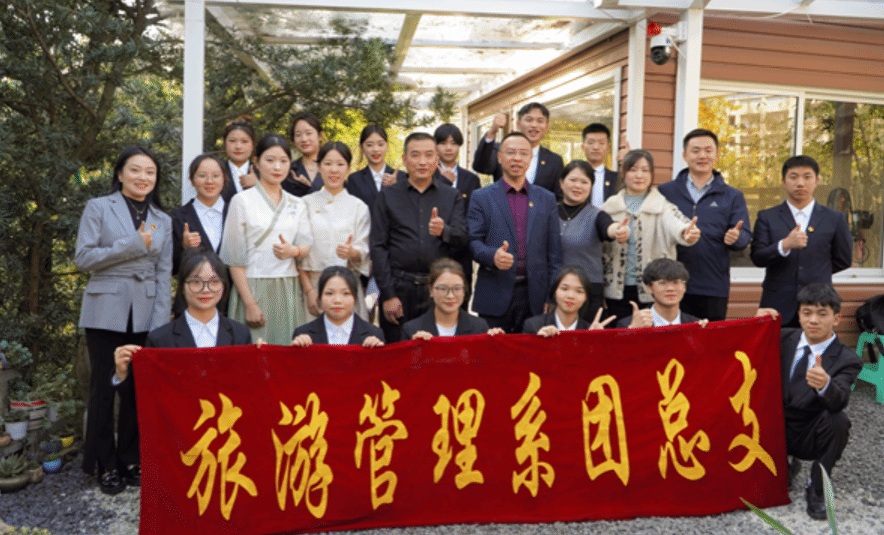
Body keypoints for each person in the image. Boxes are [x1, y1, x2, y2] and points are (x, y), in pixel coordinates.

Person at [74, 145, 172, 495]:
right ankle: (104, 463)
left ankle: (131, 458)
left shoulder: (163, 219)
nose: (143, 177)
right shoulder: (99, 207)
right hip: (105, 308)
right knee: (104, 387)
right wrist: (131, 245)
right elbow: (83, 258)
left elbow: (164, 274)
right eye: (135, 170)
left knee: (136, 389)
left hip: (146, 311)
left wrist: (160, 324)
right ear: (120, 174)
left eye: (150, 172)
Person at [756, 283, 862, 520]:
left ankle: (817, 486)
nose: (813, 320)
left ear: (836, 319)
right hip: (775, 426)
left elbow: (840, 401)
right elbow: (740, 348)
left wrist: (826, 385)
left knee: (839, 421)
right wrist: (755, 323)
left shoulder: (848, 359)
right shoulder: (780, 337)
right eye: (807, 312)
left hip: (810, 431)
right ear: (799, 315)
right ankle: (785, 466)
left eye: (822, 314)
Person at [370, 132, 468, 343]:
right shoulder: (387, 196)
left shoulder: (452, 196)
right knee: (398, 351)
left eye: (429, 155)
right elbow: (378, 247)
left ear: (436, 159)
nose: (422, 162)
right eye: (415, 155)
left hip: (438, 289)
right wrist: (388, 295)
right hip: (399, 288)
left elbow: (462, 239)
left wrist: (444, 231)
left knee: (438, 353)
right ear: (405, 160)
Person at [220, 134, 313, 345]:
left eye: (283, 161)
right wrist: (249, 304)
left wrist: (294, 251)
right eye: (270, 160)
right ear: (256, 163)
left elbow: (306, 245)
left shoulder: (297, 203)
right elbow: (234, 260)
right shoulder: (241, 201)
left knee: (286, 352)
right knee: (253, 352)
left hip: (288, 286)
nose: (277, 167)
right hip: (252, 286)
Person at [468, 132, 562, 333]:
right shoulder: (481, 197)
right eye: (511, 152)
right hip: (494, 292)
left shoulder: (546, 199)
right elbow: (473, 242)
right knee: (494, 351)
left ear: (530, 159)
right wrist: (492, 256)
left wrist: (551, 295)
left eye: (523, 153)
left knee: (532, 351)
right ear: (499, 157)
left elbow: (554, 253)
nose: (517, 158)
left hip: (535, 296)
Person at [113, 249, 252, 383]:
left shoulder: (240, 334)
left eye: (214, 282)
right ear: (183, 287)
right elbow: (147, 392)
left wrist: (260, 362)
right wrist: (122, 373)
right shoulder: (160, 339)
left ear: (224, 285)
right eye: (196, 282)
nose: (205, 290)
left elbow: (248, 387)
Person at [658, 129, 751, 322]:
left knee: (709, 339)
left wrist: (736, 238)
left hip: (713, 285)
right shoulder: (666, 191)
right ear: (685, 155)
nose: (702, 156)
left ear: (716, 155)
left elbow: (744, 237)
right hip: (671, 284)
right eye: (696, 150)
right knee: (672, 338)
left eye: (708, 151)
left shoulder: (732, 196)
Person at [751, 155, 852, 327]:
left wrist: (818, 271)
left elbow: (844, 259)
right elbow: (757, 257)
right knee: (777, 345)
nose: (800, 183)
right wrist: (785, 245)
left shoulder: (835, 218)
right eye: (793, 177)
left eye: (807, 177)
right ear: (783, 181)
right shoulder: (767, 217)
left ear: (817, 181)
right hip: (777, 304)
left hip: (818, 304)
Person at [600, 149, 701, 323]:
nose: (639, 175)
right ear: (623, 174)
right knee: (622, 334)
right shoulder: (609, 208)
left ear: (652, 174)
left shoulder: (662, 206)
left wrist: (686, 232)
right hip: (616, 291)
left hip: (654, 289)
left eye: (645, 170)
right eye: (633, 170)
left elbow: (675, 223)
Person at [300, 142, 371, 319]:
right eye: (328, 163)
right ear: (318, 167)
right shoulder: (305, 204)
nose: (334, 170)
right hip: (313, 286)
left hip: (347, 287)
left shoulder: (358, 207)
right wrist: (309, 291)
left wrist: (352, 252)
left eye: (340, 164)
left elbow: (364, 249)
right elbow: (298, 254)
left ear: (348, 168)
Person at [557, 160, 629, 321]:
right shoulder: (549, 213)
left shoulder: (597, 215)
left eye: (584, 182)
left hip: (587, 291)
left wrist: (618, 231)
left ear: (591, 186)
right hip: (557, 290)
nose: (578, 186)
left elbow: (608, 228)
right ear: (561, 183)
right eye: (573, 180)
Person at [171, 154, 231, 315]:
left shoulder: (237, 213)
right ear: (191, 180)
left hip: (231, 303)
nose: (209, 181)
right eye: (202, 176)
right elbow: (171, 267)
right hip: (191, 303)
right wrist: (184, 247)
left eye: (216, 176)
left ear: (224, 179)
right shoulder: (178, 217)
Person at [433, 123, 482, 309]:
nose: (448, 148)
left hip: (462, 253)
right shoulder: (427, 175)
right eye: (443, 143)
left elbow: (474, 216)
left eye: (453, 143)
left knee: (460, 306)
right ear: (436, 146)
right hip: (434, 250)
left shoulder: (471, 179)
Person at [472, 102, 563, 195]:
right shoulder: (502, 150)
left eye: (540, 121)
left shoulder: (555, 161)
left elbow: (558, 196)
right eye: (529, 120)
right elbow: (480, 166)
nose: (534, 125)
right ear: (518, 124)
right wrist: (492, 131)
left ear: (547, 127)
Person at [401, 258, 503, 340]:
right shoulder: (412, 329)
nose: (450, 296)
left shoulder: (479, 327)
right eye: (443, 288)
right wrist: (415, 348)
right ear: (431, 289)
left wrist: (497, 343)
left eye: (457, 288)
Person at [291, 266, 385, 347]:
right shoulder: (303, 334)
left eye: (345, 293)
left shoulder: (373, 334)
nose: (337, 300)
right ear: (319, 298)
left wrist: (375, 351)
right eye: (329, 293)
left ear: (355, 298)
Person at [522, 265, 616, 335]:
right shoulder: (534, 326)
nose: (570, 296)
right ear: (554, 292)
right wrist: (539, 341)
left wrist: (590, 341)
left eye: (579, 291)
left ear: (586, 297)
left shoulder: (589, 331)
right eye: (564, 289)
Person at [615, 258, 709, 328]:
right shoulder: (628, 324)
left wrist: (704, 335)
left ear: (684, 287)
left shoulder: (695, 324)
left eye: (676, 282)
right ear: (649, 287)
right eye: (662, 283)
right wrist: (633, 331)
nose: (670, 288)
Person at [346, 124, 405, 210]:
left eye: (380, 144)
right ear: (362, 147)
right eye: (369, 145)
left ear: (387, 145)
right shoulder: (354, 180)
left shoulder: (402, 177)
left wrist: (396, 188)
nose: (376, 149)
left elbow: (407, 211)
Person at [219, 116, 258, 201]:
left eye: (244, 141)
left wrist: (259, 186)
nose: (238, 146)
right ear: (225, 144)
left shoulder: (263, 173)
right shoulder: (217, 172)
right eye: (232, 141)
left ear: (253, 145)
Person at [285, 112, 324, 196]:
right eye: (298, 135)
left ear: (320, 136)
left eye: (308, 133)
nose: (304, 139)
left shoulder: (334, 167)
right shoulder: (288, 171)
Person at [581, 123, 618, 207]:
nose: (596, 147)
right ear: (583, 147)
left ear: (608, 148)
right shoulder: (573, 177)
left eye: (601, 143)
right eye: (591, 142)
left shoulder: (616, 178)